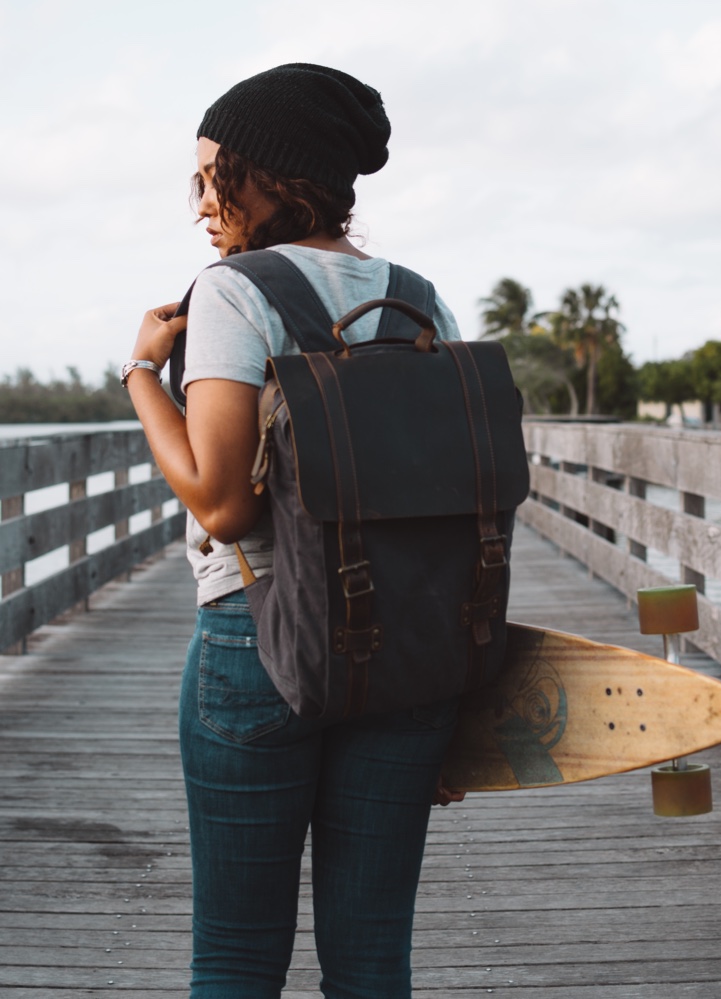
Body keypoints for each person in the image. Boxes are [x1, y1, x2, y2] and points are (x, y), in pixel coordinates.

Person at [123, 64, 465, 998]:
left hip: (262, 636)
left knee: (236, 957)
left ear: (275, 173)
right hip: (408, 650)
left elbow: (222, 504)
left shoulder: (234, 291)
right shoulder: (418, 298)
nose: (201, 203)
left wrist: (143, 376)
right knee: (370, 961)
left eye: (214, 176)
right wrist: (454, 689)